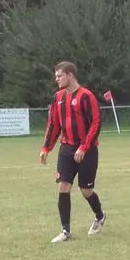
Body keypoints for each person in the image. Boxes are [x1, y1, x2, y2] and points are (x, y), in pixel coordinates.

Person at [40, 61, 107, 243]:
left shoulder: (86, 96)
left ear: (70, 75)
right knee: (63, 186)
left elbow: (96, 123)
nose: (57, 79)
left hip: (87, 149)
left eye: (59, 75)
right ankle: (65, 231)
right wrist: (46, 147)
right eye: (56, 76)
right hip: (66, 148)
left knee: (86, 190)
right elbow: (53, 124)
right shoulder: (58, 98)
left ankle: (100, 216)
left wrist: (84, 147)